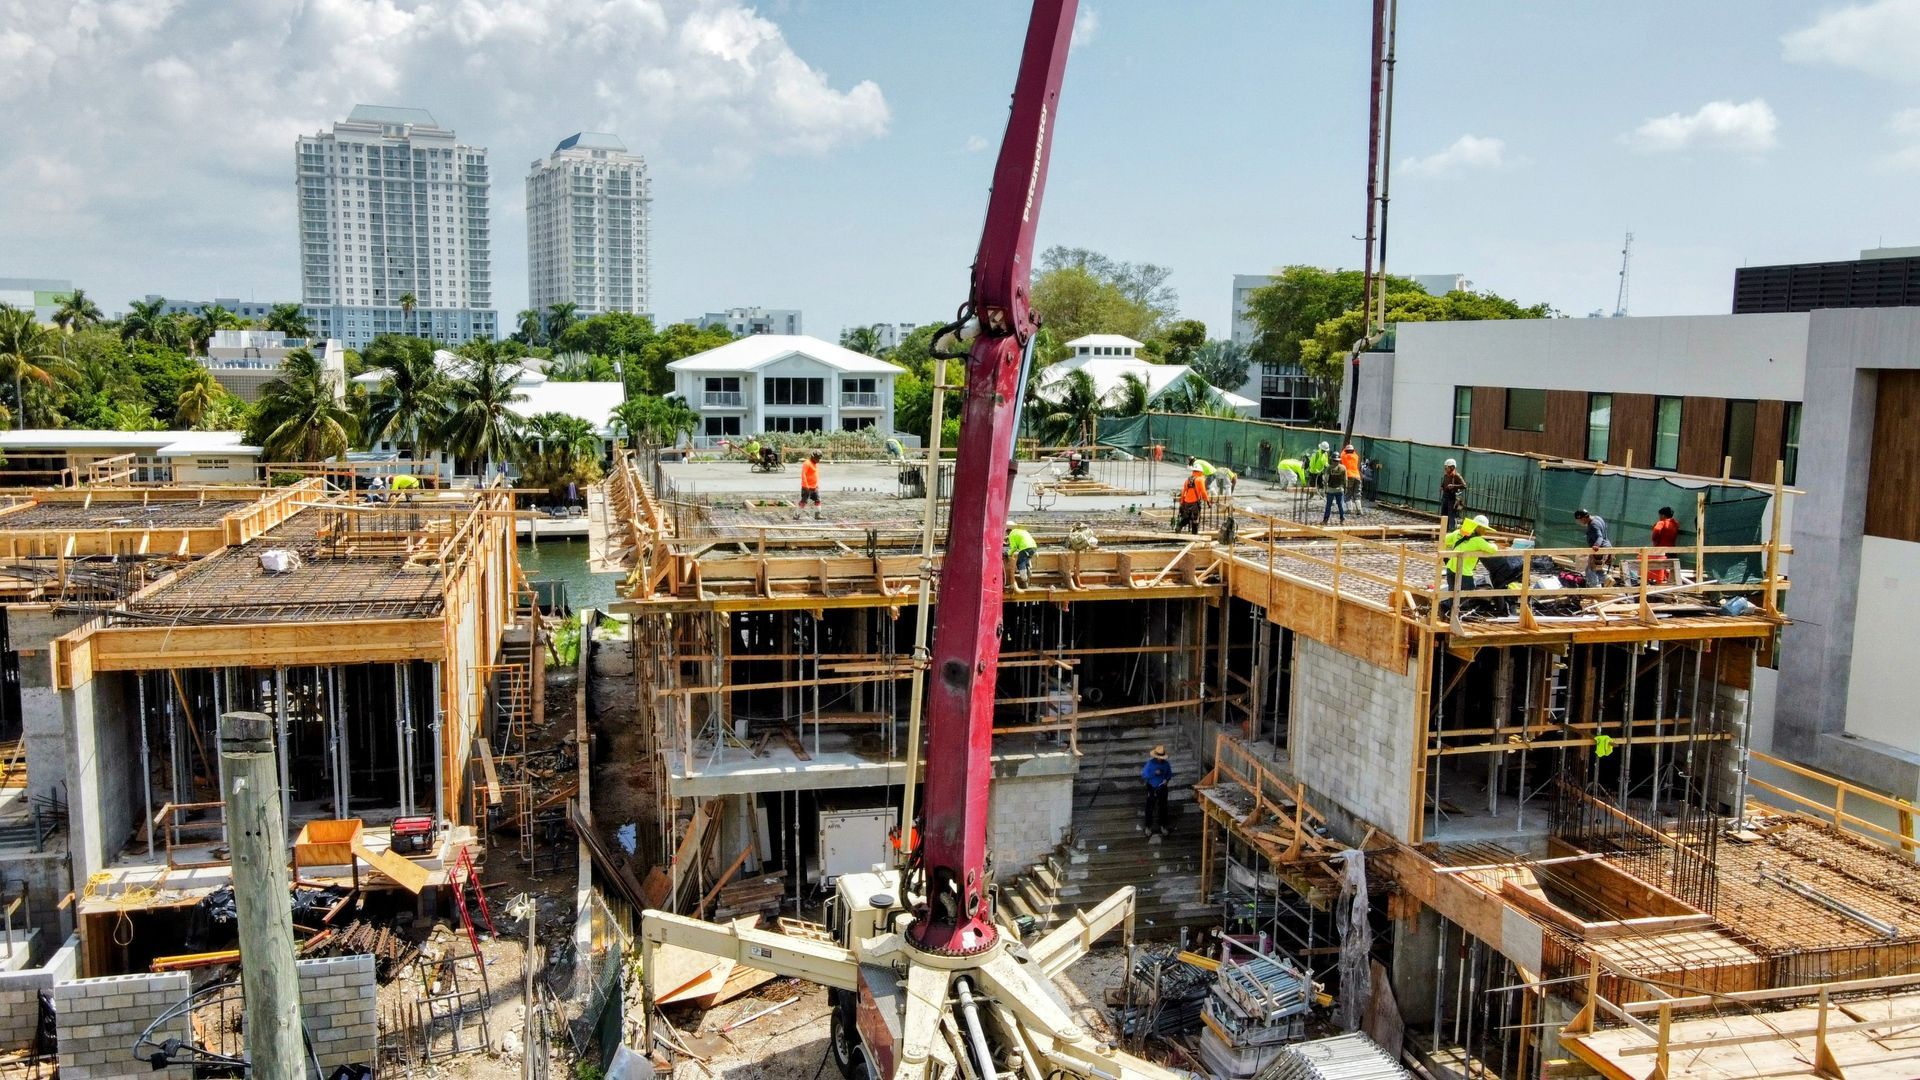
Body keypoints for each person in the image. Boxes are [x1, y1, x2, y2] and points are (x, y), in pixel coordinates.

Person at [1443, 515, 1499, 594]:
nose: (1485, 531)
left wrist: (1445, 555)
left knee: (1452, 595)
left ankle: (1450, 606)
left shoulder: (1458, 533)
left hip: (1450, 569)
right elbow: (1493, 549)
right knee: (1468, 597)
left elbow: (1443, 539)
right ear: (1478, 527)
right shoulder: (1478, 541)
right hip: (1464, 573)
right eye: (1484, 528)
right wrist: (1494, 544)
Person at [1141, 745, 1173, 840]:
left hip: (1162, 787)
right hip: (1152, 787)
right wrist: (1154, 773)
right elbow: (1144, 775)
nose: (1160, 759)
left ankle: (1163, 826)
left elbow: (1169, 774)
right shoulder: (1150, 764)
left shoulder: (1166, 764)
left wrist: (1166, 780)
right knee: (1149, 807)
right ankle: (1148, 827)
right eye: (1159, 757)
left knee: (1163, 807)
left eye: (1161, 758)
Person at [1574, 509, 1612, 586]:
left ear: (1583, 518)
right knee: (1597, 569)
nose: (1580, 522)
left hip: (1600, 550)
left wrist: (1596, 545)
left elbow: (1600, 537)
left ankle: (1594, 589)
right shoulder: (1597, 518)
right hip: (1607, 547)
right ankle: (1607, 581)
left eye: (1579, 520)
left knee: (1590, 570)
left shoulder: (1593, 525)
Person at [1649, 506, 1680, 584]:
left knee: (1659, 568)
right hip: (1672, 549)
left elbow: (1656, 530)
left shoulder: (1662, 522)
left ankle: (1659, 582)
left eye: (1659, 516)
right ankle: (1671, 583)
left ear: (1663, 515)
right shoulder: (1675, 524)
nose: (1659, 517)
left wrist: (1655, 540)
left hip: (1661, 550)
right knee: (1671, 568)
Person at [1176, 466, 1209, 534]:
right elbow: (1203, 491)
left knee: (1186, 518)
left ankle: (1179, 526)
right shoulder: (1200, 479)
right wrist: (1207, 501)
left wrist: (1182, 502)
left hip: (1187, 502)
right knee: (1195, 519)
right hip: (1195, 503)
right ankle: (1194, 534)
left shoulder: (1188, 480)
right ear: (1200, 472)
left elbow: (1183, 492)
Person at [1320, 450, 1348, 526]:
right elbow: (1345, 479)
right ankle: (1342, 519)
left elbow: (1326, 479)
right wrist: (1346, 488)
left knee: (1328, 506)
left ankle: (1325, 520)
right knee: (1341, 505)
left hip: (1330, 490)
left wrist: (1325, 489)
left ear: (1332, 460)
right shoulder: (1343, 468)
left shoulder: (1329, 468)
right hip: (1340, 489)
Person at [1440, 459, 1467, 529]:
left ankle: (1451, 530)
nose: (1445, 469)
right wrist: (1442, 486)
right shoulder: (1446, 475)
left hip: (1452, 497)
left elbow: (1464, 485)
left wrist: (1453, 486)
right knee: (1444, 514)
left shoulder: (1456, 476)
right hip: (1445, 496)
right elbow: (1444, 482)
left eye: (1447, 467)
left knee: (1451, 515)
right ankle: (1443, 529)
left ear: (1452, 467)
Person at [1341, 444, 1362, 511]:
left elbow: (1342, 452)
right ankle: (1359, 509)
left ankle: (1350, 509)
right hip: (1357, 476)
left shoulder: (1344, 456)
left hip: (1349, 476)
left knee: (1348, 493)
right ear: (1353, 451)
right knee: (1357, 494)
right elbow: (1354, 452)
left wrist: (1345, 447)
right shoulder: (1356, 456)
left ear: (1346, 451)